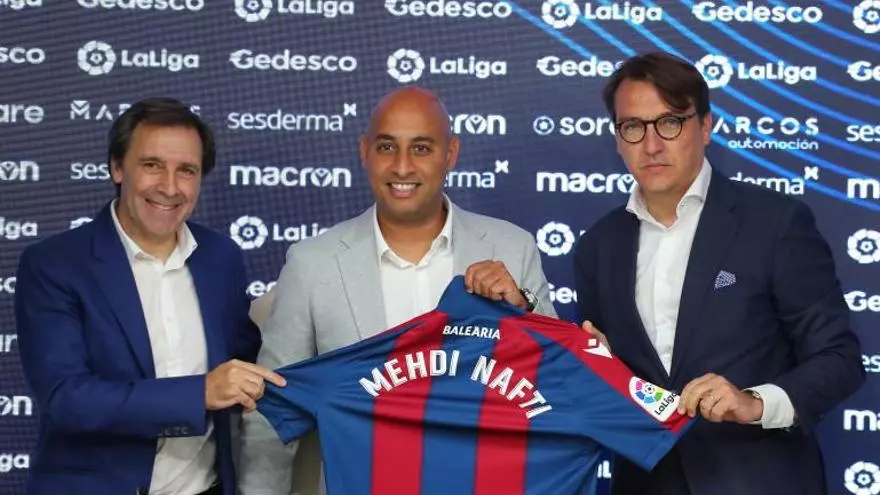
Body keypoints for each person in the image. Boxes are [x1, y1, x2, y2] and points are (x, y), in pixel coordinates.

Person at [238, 86, 556, 494]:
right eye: (387, 147)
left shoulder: (512, 249)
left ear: (451, 154)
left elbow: (556, 386)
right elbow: (273, 413)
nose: (402, 166)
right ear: (364, 152)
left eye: (421, 148)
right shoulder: (312, 263)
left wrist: (522, 310)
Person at [573, 52, 865, 495]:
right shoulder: (598, 246)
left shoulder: (775, 223)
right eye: (633, 126)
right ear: (617, 138)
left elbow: (839, 358)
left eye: (670, 122)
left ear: (705, 126)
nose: (651, 145)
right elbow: (606, 384)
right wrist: (595, 365)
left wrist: (755, 403)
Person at [14, 98, 284, 495]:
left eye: (186, 170)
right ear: (117, 167)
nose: (170, 187)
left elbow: (247, 360)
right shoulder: (54, 264)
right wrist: (200, 393)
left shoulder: (220, 257)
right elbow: (66, 399)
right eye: (152, 165)